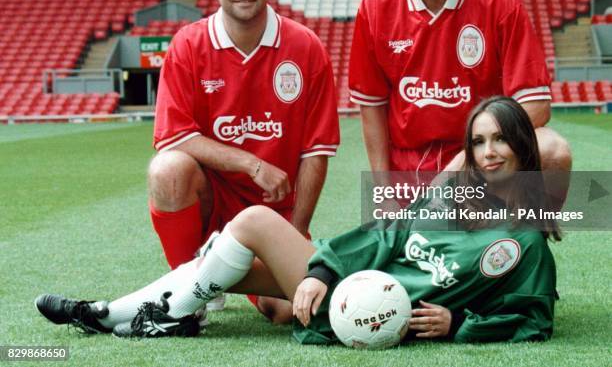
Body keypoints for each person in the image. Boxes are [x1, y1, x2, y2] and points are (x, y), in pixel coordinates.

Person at [35, 96, 560, 343]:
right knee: (227, 266)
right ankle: (111, 315)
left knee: (256, 222)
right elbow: (388, 232)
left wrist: (458, 324)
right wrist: (323, 269)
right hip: (352, 283)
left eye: (500, 139)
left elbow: (533, 319)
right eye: (477, 141)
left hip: (371, 309)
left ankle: (122, 315)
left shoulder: (524, 243)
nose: (488, 152)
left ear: (522, 145)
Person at [148, 0, 340, 322]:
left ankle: (212, 273)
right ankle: (190, 288)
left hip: (273, 212)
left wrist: (297, 233)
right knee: (167, 169)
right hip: (213, 199)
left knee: (290, 312)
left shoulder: (305, 47)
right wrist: (252, 164)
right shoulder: (188, 44)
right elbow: (174, 135)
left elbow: (316, 151)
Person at [348, 0, 571, 188]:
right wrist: (382, 189)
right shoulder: (376, 4)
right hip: (410, 167)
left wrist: (461, 165)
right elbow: (371, 105)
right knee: (415, 228)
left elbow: (536, 106)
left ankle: (529, 234)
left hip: (482, 159)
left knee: (553, 151)